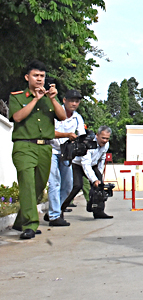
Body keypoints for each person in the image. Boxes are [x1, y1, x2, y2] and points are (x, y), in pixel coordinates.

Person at [9, 60, 66, 239]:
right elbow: (17, 117)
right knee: (27, 184)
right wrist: (35, 99)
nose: (39, 79)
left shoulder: (50, 98)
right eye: (36, 75)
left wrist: (52, 99)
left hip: (45, 148)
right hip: (24, 145)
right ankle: (30, 225)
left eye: (42, 76)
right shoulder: (18, 97)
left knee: (39, 186)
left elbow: (62, 116)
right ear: (27, 77)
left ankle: (20, 221)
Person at [46, 90, 85, 226]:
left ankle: (54, 210)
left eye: (77, 101)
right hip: (51, 150)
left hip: (67, 153)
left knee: (68, 185)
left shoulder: (78, 118)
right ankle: (54, 216)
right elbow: (49, 133)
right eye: (71, 100)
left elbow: (81, 135)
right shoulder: (54, 113)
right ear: (64, 100)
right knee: (55, 183)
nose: (74, 103)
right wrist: (67, 135)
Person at [61, 126, 113, 219]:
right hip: (78, 164)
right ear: (97, 136)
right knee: (77, 186)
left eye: (107, 138)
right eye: (103, 138)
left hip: (93, 164)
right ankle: (59, 211)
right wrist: (94, 180)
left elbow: (102, 159)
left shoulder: (106, 144)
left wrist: (99, 176)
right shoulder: (88, 143)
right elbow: (85, 164)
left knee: (99, 186)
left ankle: (98, 211)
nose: (105, 141)